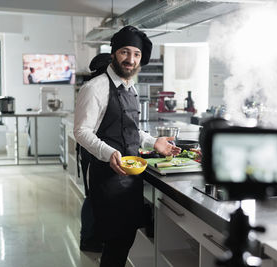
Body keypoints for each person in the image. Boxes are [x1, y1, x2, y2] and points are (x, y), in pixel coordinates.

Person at [74, 25, 181, 267]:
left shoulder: (130, 87)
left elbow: (131, 129)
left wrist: (155, 142)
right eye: (125, 52)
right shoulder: (95, 88)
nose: (130, 59)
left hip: (131, 177)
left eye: (136, 54)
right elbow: (81, 131)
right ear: (113, 53)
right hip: (108, 178)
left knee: (124, 242)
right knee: (116, 245)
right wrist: (109, 152)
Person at [78, 53, 113, 253]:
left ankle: (95, 236)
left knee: (93, 195)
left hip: (95, 150)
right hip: (92, 150)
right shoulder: (94, 88)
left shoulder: (102, 85)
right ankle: (88, 239)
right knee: (92, 195)